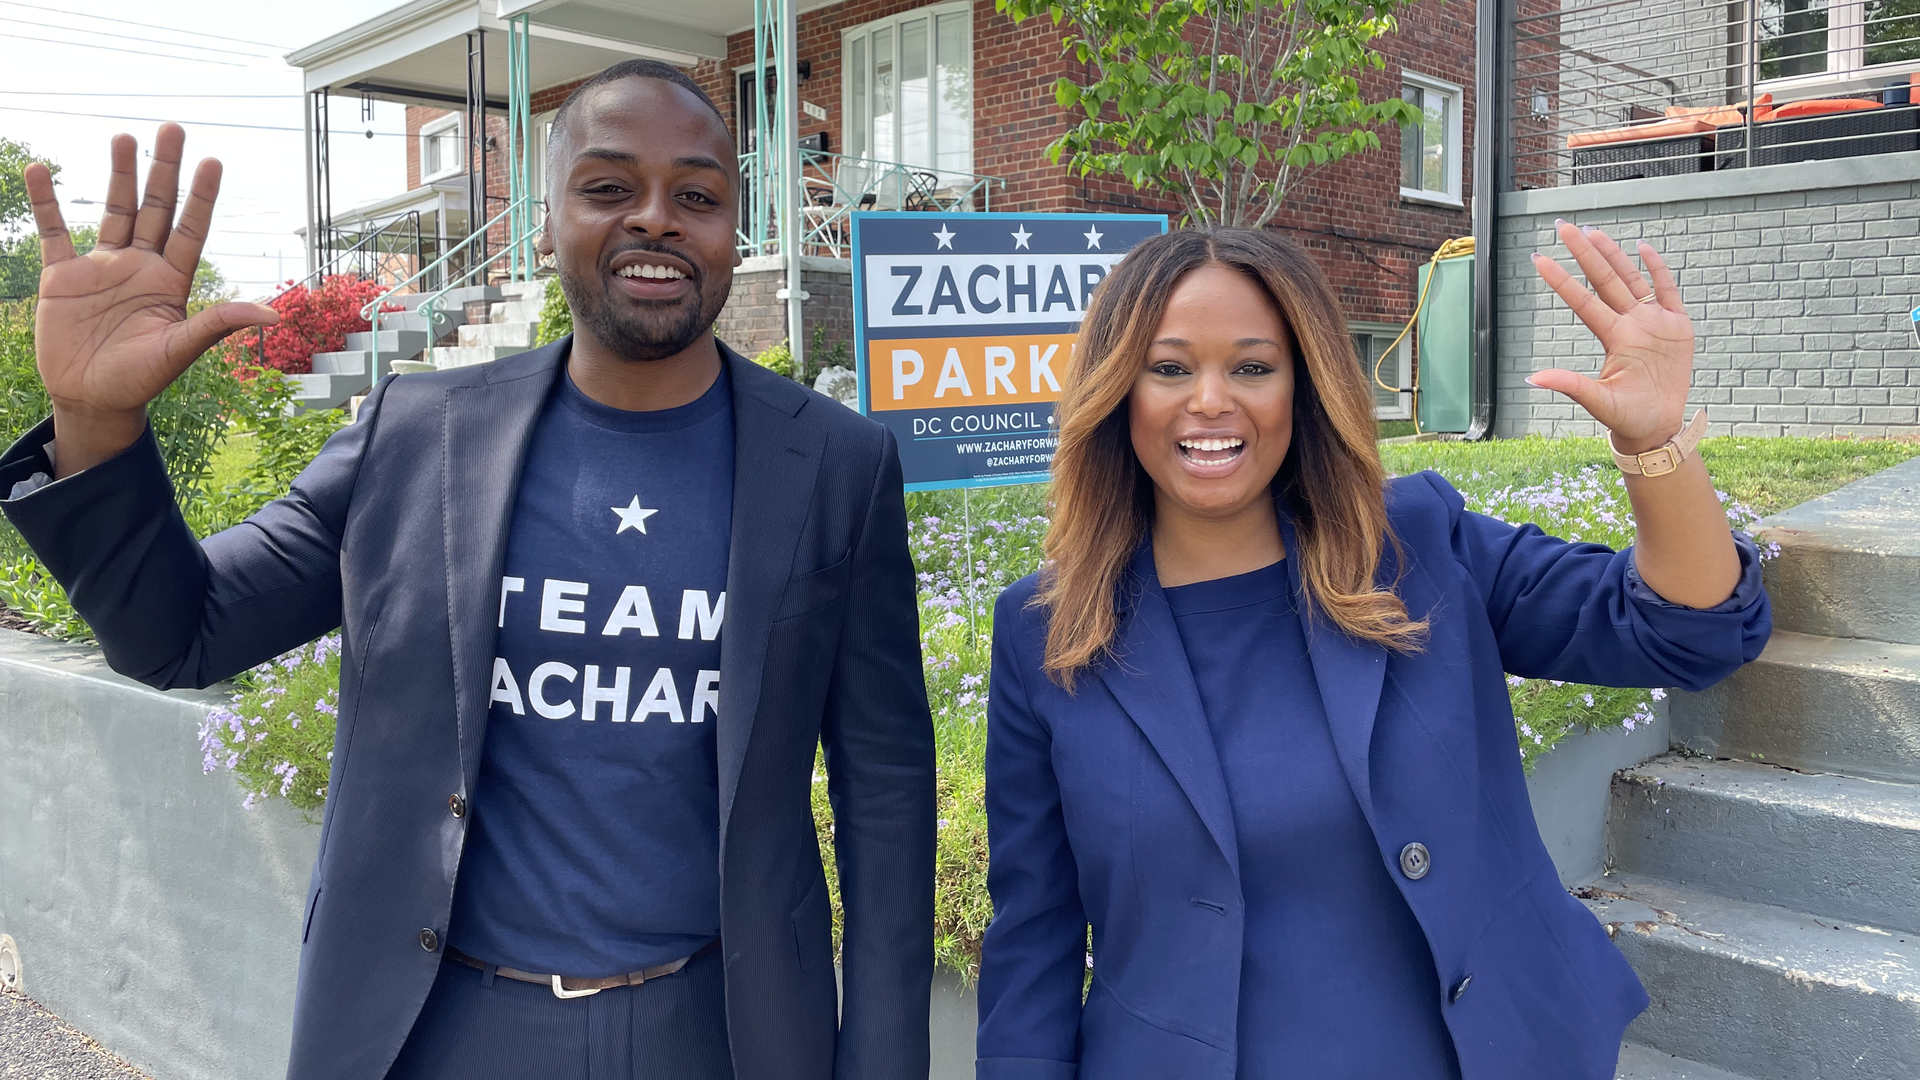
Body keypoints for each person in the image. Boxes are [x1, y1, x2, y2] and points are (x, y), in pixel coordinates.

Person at [1, 60, 935, 1080]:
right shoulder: (416, 437)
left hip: (714, 1029)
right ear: (546, 223)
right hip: (439, 1031)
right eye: (610, 187)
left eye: (698, 196)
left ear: (734, 232)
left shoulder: (835, 465)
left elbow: (884, 787)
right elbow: (180, 633)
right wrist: (97, 421)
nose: (657, 220)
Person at [974, 224, 1770, 1080]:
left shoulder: (1419, 545)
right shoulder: (1044, 630)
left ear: (1303, 386)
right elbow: (1034, 937)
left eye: (1253, 366)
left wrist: (1654, 444)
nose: (1210, 400)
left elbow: (1689, 631)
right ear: (1117, 390)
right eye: (1169, 368)